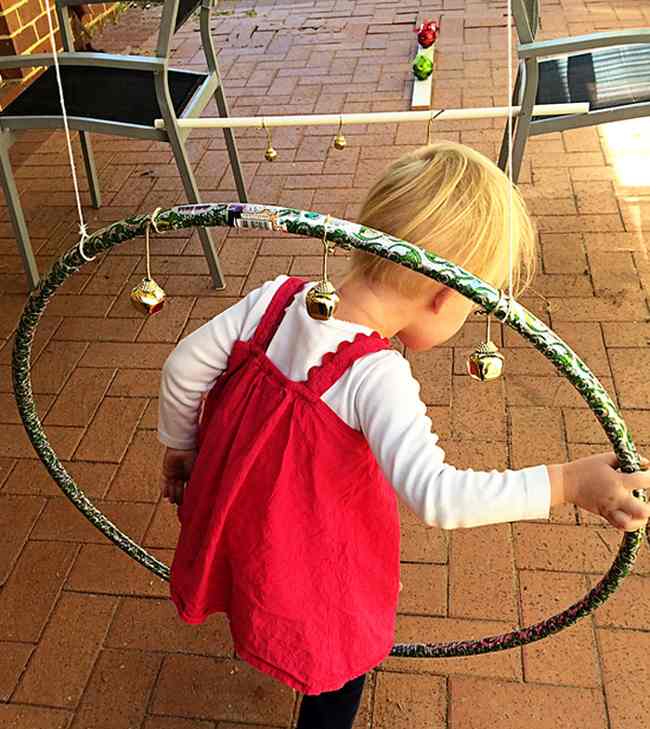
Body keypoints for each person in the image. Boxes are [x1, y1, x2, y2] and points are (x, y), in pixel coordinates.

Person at [158, 141, 650, 728]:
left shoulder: (276, 297)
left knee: (253, 574)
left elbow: (183, 367)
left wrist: (182, 447)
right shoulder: (375, 374)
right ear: (444, 296)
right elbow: (437, 496)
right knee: (341, 648)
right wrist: (566, 482)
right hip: (310, 545)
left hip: (239, 512)